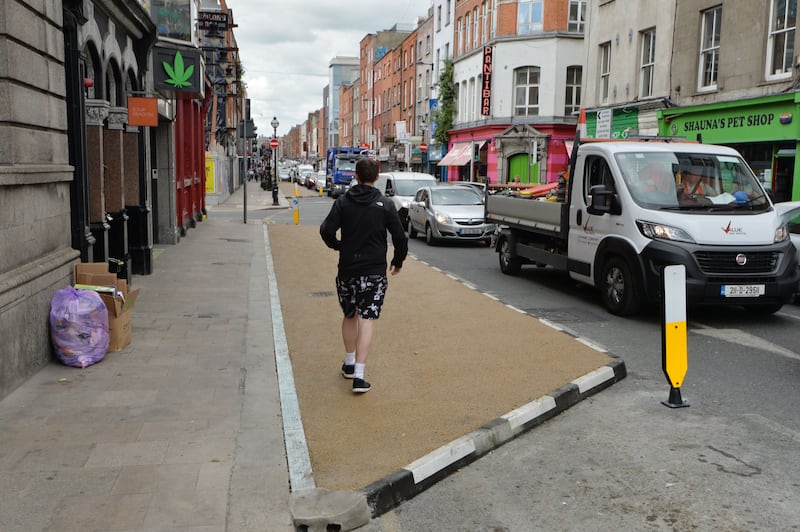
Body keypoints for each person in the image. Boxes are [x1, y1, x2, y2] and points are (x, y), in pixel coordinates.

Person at [319, 158, 408, 393]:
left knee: (350, 315)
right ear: (376, 177)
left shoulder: (342, 202)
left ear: (355, 176)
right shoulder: (385, 203)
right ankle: (359, 376)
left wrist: (338, 246)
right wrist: (397, 261)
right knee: (366, 319)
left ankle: (349, 364)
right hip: (374, 271)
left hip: (347, 269)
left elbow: (326, 230)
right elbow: (400, 237)